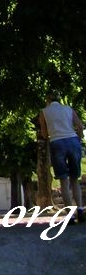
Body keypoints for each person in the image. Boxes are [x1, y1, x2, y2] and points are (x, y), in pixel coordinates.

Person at [38, 90, 85, 222]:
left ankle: (70, 214)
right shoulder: (68, 109)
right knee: (75, 178)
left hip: (57, 143)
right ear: (59, 99)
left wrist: (50, 135)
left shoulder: (44, 112)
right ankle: (80, 210)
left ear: (47, 100)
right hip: (72, 141)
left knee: (64, 180)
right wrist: (79, 138)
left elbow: (44, 133)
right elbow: (80, 126)